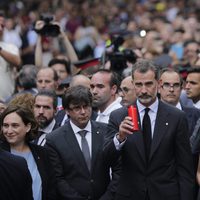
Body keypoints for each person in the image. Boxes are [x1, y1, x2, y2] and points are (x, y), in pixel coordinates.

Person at [103, 59, 195, 200]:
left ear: (158, 84)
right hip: (130, 194)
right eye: (139, 84)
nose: (144, 90)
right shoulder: (118, 116)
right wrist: (119, 138)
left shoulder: (176, 117)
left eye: (148, 84)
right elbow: (105, 160)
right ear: (133, 84)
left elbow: (185, 167)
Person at [46, 85, 120, 200]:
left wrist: (108, 197)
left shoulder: (106, 131)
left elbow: (118, 168)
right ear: (67, 111)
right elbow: (58, 179)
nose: (83, 112)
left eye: (86, 106)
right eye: (77, 108)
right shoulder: (54, 139)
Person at [0, 105, 57, 200]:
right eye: (5, 125)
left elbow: (51, 187)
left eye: (15, 125)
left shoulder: (42, 153)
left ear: (28, 127)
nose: (9, 131)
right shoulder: (2, 156)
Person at [159, 68, 200, 136]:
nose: (171, 89)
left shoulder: (196, 114)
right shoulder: (150, 114)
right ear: (158, 88)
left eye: (176, 85)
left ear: (181, 88)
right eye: (166, 85)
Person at [0, 12, 21, 101]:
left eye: (2, 26)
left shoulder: (10, 47)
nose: (0, 29)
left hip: (7, 100)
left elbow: (17, 62)